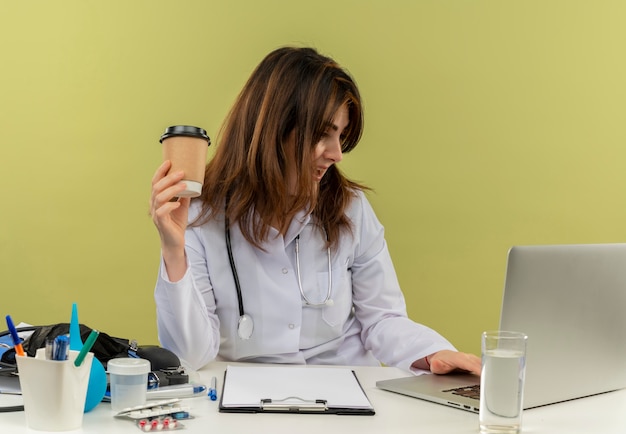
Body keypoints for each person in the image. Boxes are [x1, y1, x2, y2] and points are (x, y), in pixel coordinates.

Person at [150, 46, 481, 375]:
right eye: (324, 133)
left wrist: (434, 353)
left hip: (347, 395)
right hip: (251, 404)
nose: (337, 153)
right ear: (273, 129)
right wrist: (173, 249)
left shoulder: (350, 208)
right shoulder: (202, 215)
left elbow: (382, 319)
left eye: (341, 135)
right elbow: (191, 355)